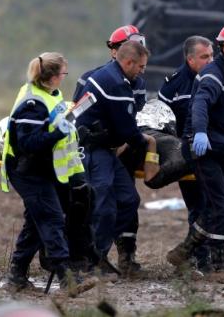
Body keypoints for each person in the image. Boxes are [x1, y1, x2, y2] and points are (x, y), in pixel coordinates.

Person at [167, 21, 224, 283]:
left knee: (212, 207)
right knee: (222, 206)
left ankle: (185, 251)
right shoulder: (213, 75)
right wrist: (200, 132)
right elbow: (200, 104)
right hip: (203, 150)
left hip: (217, 151)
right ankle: (218, 266)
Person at [0, 52, 95, 296]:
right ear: (52, 76)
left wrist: (69, 118)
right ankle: (66, 279)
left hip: (43, 168)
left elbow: (51, 123)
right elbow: (28, 143)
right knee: (52, 218)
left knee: (36, 221)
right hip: (27, 170)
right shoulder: (32, 104)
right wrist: (57, 133)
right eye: (63, 73)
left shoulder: (50, 94)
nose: (65, 77)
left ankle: (17, 276)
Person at [75, 40, 154, 277]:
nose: (142, 71)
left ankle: (97, 254)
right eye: (140, 66)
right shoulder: (115, 83)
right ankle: (90, 260)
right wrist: (150, 143)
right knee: (104, 205)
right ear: (128, 62)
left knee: (129, 199)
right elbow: (127, 130)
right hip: (93, 150)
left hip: (107, 149)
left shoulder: (110, 76)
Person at [158, 36, 214, 270]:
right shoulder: (173, 84)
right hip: (187, 155)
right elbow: (160, 120)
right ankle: (200, 259)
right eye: (204, 57)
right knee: (198, 206)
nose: (210, 61)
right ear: (190, 59)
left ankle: (205, 255)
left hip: (213, 153)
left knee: (216, 206)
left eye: (212, 56)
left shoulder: (217, 78)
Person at [73, 25, 147, 114]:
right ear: (114, 52)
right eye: (131, 52)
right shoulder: (88, 79)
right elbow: (76, 115)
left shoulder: (139, 84)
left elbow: (138, 117)